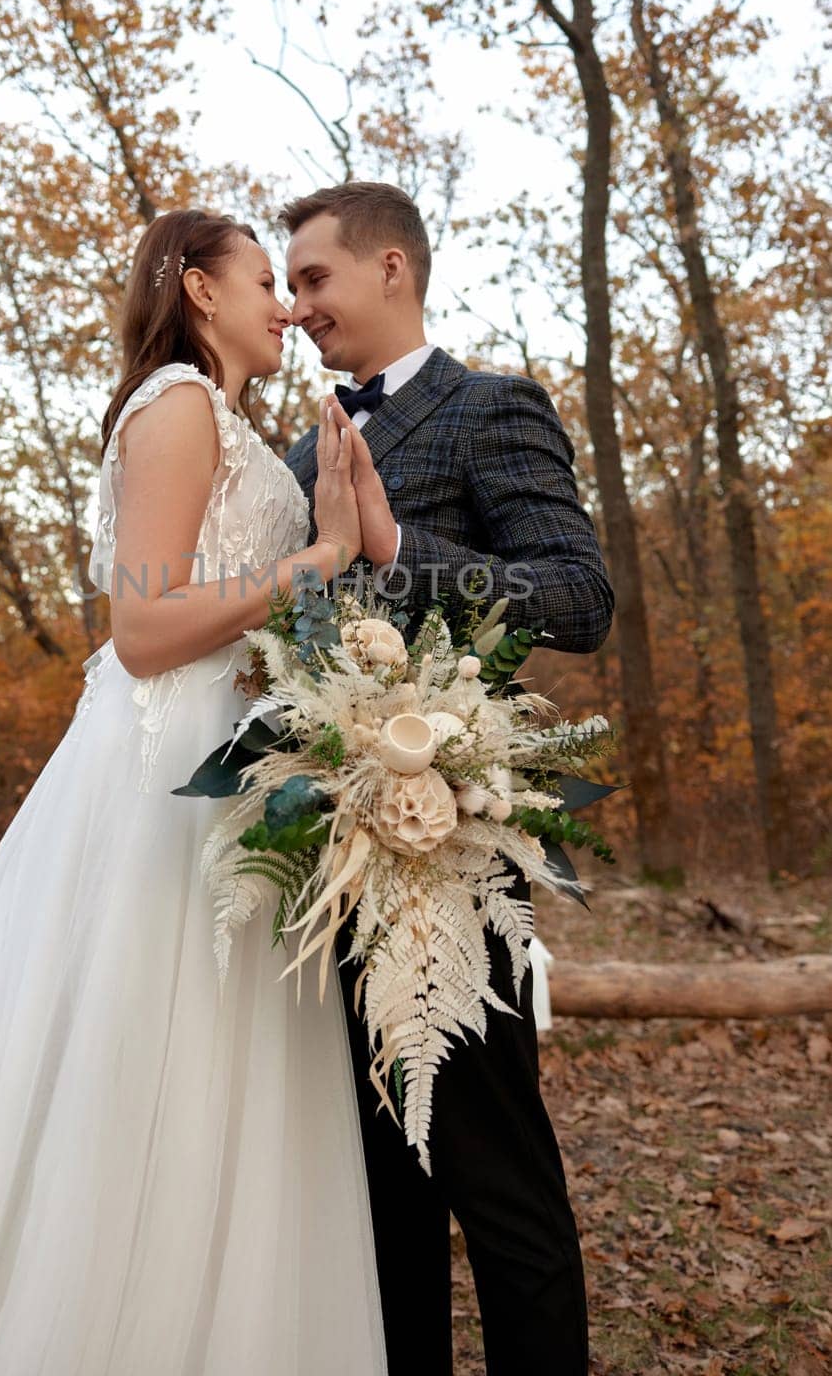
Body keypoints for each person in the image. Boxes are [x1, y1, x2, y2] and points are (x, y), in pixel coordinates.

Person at [0, 209, 389, 1376]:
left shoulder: (241, 425)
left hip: (238, 765)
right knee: (131, 1052)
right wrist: (312, 558)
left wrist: (353, 546)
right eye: (263, 280)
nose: (284, 304)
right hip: (163, 774)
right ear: (198, 290)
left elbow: (248, 607)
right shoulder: (176, 404)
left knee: (225, 1075)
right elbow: (146, 631)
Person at [282, 180, 615, 1376]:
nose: (297, 303)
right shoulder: (287, 450)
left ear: (389, 267)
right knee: (377, 1194)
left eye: (313, 277)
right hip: (321, 859)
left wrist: (399, 549)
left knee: (498, 1179)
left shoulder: (491, 409)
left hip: (456, 848)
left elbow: (580, 600)